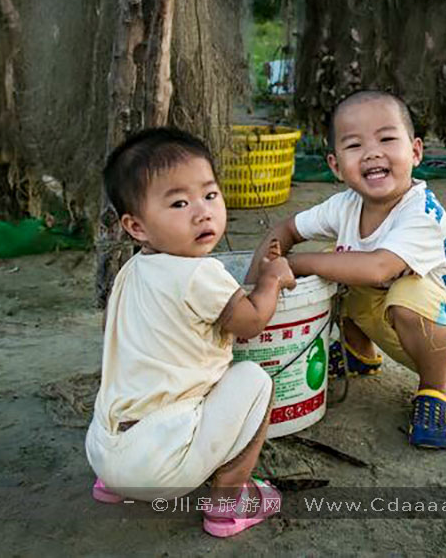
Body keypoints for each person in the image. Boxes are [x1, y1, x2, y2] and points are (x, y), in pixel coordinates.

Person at [84, 127, 296, 537]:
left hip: (104, 452)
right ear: (137, 226)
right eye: (179, 202)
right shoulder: (200, 272)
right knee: (254, 380)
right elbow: (251, 321)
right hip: (160, 468)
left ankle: (114, 484)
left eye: (210, 195)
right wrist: (271, 280)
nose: (202, 212)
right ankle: (228, 501)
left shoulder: (131, 272)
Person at [246, 91, 446, 449]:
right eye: (354, 145)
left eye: (386, 139)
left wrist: (291, 264)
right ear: (336, 166)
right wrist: (254, 285)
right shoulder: (344, 206)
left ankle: (435, 392)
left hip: (444, 336)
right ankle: (359, 354)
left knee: (392, 285)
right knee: (334, 260)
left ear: (415, 152)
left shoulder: (421, 213)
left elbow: (378, 267)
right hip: (389, 320)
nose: (372, 152)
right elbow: (286, 229)